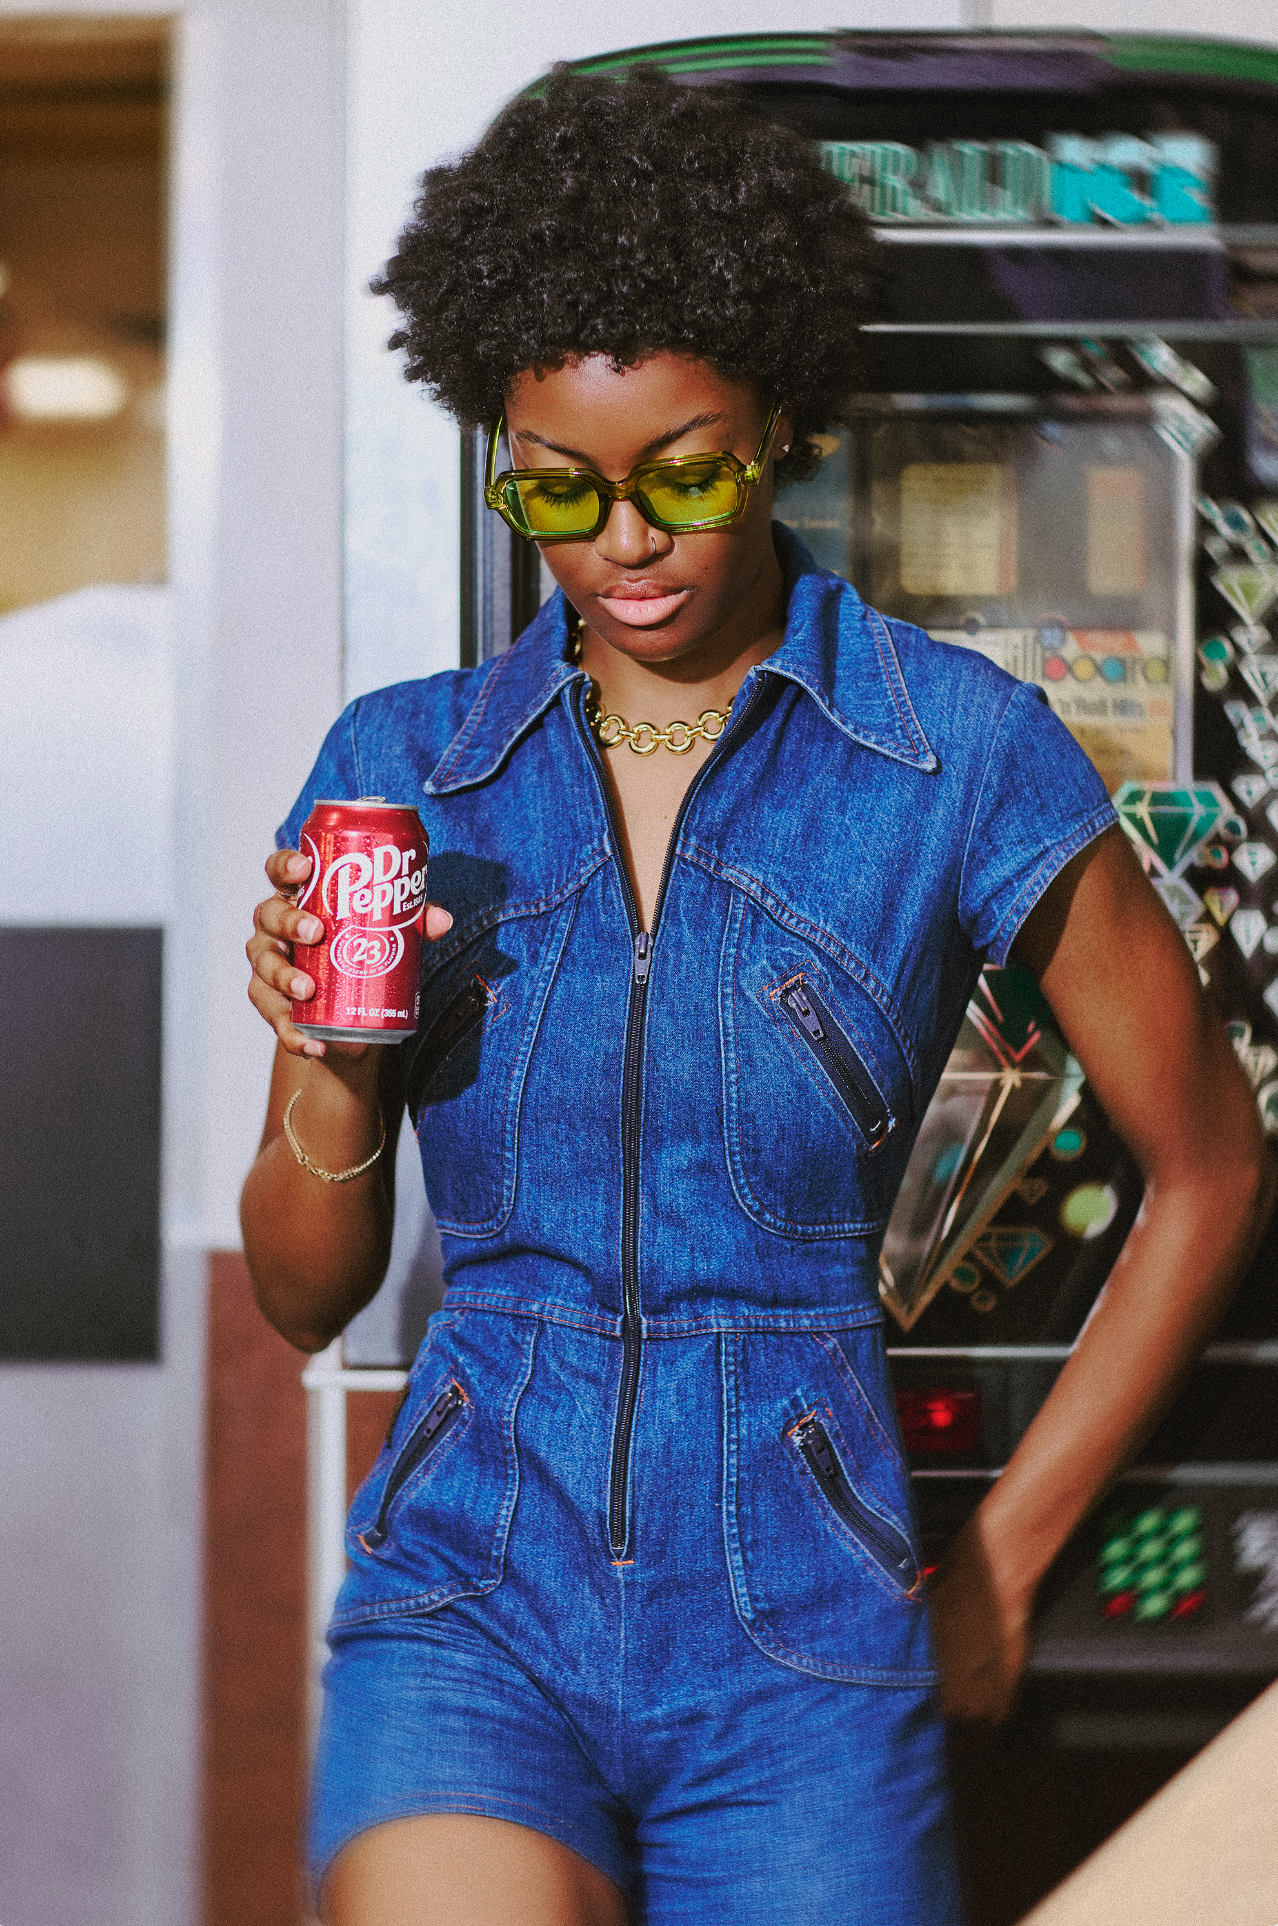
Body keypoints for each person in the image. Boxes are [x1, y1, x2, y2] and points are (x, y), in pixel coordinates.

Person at [240, 68, 1272, 1926]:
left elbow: (1209, 1166)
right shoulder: (406, 767)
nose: (623, 541)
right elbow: (305, 1296)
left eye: (686, 472)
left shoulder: (955, 753)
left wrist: (1006, 1560)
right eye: (557, 487)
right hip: (471, 1601)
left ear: (780, 426)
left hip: (800, 1634)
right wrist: (327, 1063)